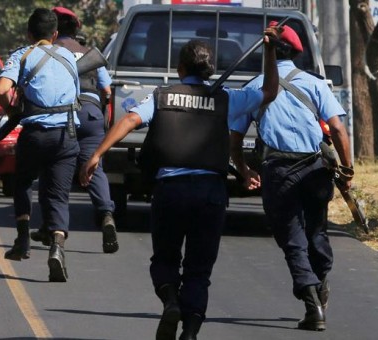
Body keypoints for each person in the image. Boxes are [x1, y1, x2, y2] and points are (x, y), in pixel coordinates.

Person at [80, 29, 281, 339]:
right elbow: (269, 91)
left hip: (169, 192)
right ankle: (190, 330)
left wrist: (96, 155)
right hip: (211, 194)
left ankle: (171, 300)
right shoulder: (227, 98)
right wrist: (270, 51)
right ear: (210, 70)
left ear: (181, 69)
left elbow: (129, 121)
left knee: (164, 259)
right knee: (199, 270)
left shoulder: (162, 96)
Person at [229, 22, 353, 332]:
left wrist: (243, 169)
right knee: (317, 232)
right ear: (297, 52)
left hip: (279, 171)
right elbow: (337, 129)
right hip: (316, 169)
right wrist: (347, 171)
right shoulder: (314, 84)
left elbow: (234, 136)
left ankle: (312, 303)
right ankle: (320, 282)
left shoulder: (255, 87)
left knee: (292, 239)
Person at [0, 8, 80, 283]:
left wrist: (11, 112)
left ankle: (22, 240)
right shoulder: (68, 56)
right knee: (58, 195)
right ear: (55, 34)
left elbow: (1, 90)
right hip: (66, 134)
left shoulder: (23, 54)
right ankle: (56, 246)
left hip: (35, 134)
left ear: (29, 34)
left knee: (22, 183)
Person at [28, 6, 119, 254]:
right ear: (77, 29)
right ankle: (106, 214)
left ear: (54, 30)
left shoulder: (51, 52)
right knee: (94, 165)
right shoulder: (90, 52)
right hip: (91, 114)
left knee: (53, 168)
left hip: (62, 115)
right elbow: (107, 91)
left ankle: (50, 226)